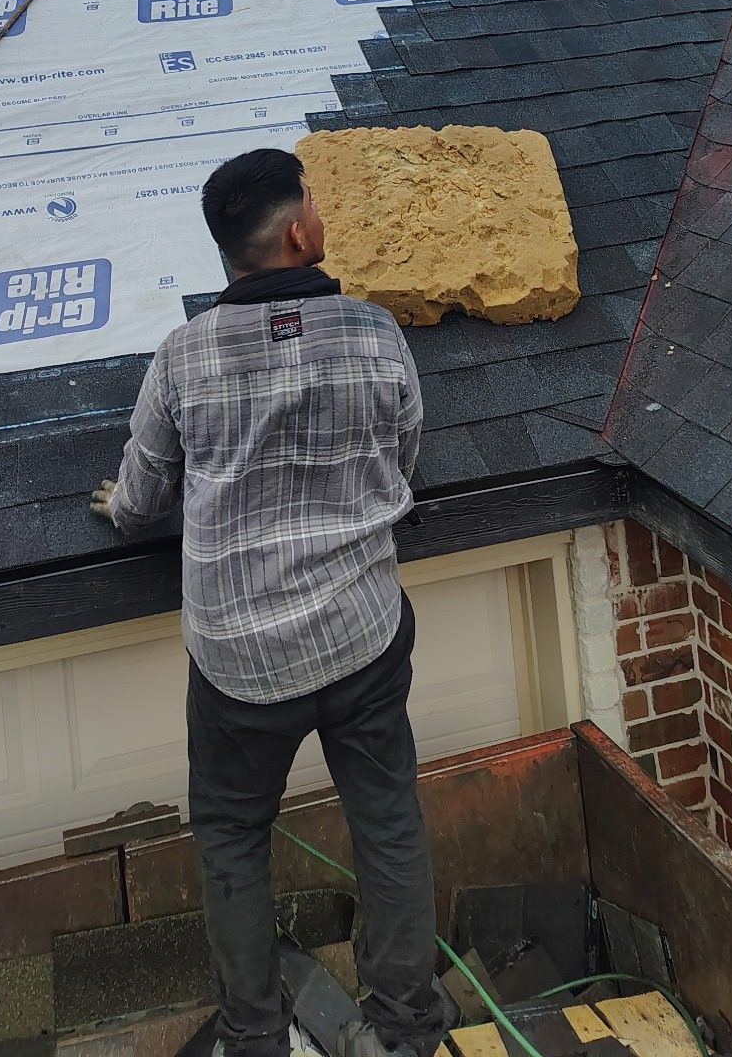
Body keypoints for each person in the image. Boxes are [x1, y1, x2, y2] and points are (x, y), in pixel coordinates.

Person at [91, 147, 454, 1057]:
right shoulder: (375, 334)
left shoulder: (182, 358)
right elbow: (402, 460)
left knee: (231, 839)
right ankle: (407, 1026)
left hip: (240, 661)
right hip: (362, 635)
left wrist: (115, 502)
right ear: (300, 232)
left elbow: (139, 504)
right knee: (387, 824)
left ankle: (255, 1038)